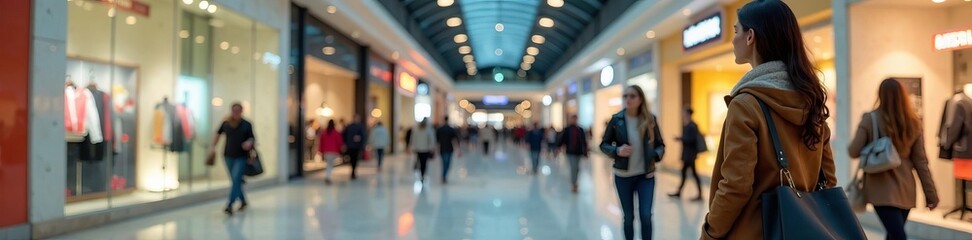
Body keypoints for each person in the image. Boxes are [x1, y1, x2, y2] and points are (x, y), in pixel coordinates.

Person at [701, 1, 837, 239]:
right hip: (804, 230)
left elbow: (735, 186)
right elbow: (827, 178)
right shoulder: (810, 100)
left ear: (750, 36)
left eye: (736, 31)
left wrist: (710, 232)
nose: (733, 39)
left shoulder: (746, 105)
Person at [848, 79, 939, 240]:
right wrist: (931, 194)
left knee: (895, 236)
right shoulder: (914, 123)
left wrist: (873, 145)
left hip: (879, 190)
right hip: (906, 190)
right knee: (897, 235)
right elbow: (921, 163)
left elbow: (853, 151)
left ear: (880, 95)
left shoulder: (871, 119)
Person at [599, 86, 665, 240]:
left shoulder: (650, 120)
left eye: (632, 96)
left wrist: (654, 155)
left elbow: (661, 145)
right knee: (628, 217)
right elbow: (603, 144)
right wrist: (617, 150)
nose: (627, 99)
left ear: (640, 99)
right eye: (625, 96)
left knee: (646, 215)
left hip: (646, 177)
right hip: (623, 176)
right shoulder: (617, 119)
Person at [207, 103, 255, 216]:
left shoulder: (246, 124)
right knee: (235, 180)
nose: (236, 113)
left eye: (238, 110)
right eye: (234, 110)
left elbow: (252, 138)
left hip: (241, 156)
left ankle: (230, 204)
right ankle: (243, 200)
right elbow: (217, 134)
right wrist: (213, 147)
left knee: (236, 178)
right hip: (228, 155)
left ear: (241, 111)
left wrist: (249, 143)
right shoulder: (226, 123)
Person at [669, 108, 703, 201]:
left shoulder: (692, 125)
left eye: (684, 112)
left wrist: (681, 138)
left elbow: (691, 139)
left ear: (688, 113)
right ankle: (679, 192)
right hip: (688, 154)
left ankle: (699, 194)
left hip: (690, 154)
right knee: (685, 173)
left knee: (692, 173)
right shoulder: (689, 125)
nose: (682, 114)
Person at [558, 114, 589, 193]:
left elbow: (584, 142)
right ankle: (574, 184)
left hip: (578, 152)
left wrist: (585, 152)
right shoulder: (567, 129)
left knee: (577, 168)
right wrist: (558, 146)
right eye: (573, 119)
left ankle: (575, 181)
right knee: (573, 168)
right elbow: (563, 139)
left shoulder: (580, 129)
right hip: (570, 152)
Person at [409, 118, 436, 183]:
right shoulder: (428, 129)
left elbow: (413, 139)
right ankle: (422, 174)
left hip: (419, 149)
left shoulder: (416, 129)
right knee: (424, 163)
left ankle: (422, 174)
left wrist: (412, 147)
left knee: (420, 161)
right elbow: (432, 139)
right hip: (425, 149)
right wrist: (432, 147)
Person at [436, 117, 461, 184]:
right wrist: (458, 149)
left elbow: (437, 141)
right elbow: (455, 140)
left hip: (442, 148)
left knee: (444, 163)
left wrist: (436, 149)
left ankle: (444, 176)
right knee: (447, 163)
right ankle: (444, 176)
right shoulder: (451, 129)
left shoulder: (440, 129)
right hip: (449, 148)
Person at [318, 120, 343, 185]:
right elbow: (339, 142)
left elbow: (321, 143)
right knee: (330, 164)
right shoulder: (336, 133)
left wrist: (321, 151)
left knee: (329, 164)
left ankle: (327, 176)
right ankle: (328, 176)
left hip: (326, 151)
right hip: (333, 151)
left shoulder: (324, 133)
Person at [343, 115, 366, 180]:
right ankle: (352, 171)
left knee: (355, 159)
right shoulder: (349, 126)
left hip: (357, 146)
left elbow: (363, 136)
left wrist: (362, 144)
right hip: (350, 146)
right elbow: (345, 135)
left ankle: (353, 171)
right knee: (352, 159)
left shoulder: (360, 127)